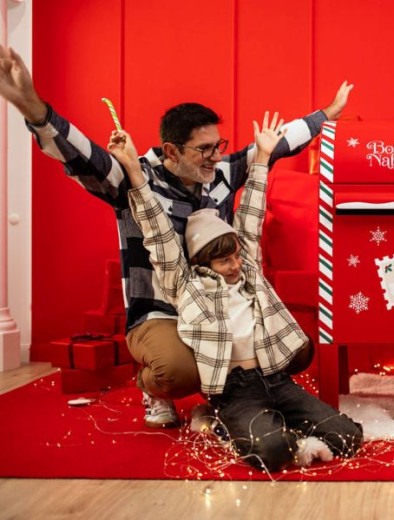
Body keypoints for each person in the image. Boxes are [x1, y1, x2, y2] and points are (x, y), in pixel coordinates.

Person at [0, 44, 353, 428]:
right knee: (180, 372)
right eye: (204, 149)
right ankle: (153, 387)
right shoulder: (135, 178)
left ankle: (234, 393)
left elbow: (274, 145)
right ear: (171, 150)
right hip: (160, 312)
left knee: (291, 348)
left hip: (215, 306)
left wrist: (325, 116)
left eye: (219, 145)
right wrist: (34, 109)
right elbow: (84, 158)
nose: (217, 156)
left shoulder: (219, 174)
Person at [107, 114, 363, 471]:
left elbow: (251, 214)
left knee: (349, 438)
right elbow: (157, 231)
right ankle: (224, 422)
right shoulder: (186, 284)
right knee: (273, 453)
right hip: (235, 388)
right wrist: (134, 171)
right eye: (224, 260)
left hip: (275, 378)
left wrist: (262, 157)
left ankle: (280, 423)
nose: (235, 265)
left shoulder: (248, 272)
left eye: (236, 256)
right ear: (202, 262)